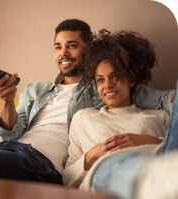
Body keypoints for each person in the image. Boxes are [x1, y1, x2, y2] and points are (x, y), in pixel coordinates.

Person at [0, 20, 174, 184]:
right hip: (11, 152)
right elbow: (8, 135)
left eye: (71, 45)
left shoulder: (103, 86)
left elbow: (164, 100)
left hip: (42, 164)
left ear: (89, 50)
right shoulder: (35, 91)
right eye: (57, 46)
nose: (63, 52)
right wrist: (5, 100)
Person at [63, 30, 177, 199]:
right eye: (100, 80)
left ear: (131, 79)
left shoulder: (159, 116)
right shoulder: (83, 118)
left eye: (114, 77)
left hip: (159, 160)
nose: (107, 85)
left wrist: (148, 141)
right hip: (108, 168)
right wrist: (91, 156)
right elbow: (67, 178)